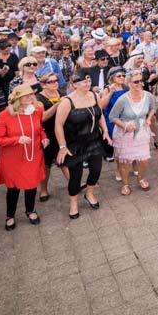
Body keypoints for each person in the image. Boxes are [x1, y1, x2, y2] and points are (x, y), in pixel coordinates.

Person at [55, 69, 111, 219]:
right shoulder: (67, 101)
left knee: (96, 169)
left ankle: (90, 193)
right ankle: (73, 203)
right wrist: (62, 146)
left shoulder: (94, 95)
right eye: (83, 82)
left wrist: (105, 131)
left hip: (93, 140)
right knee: (76, 175)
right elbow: (58, 125)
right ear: (74, 85)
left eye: (88, 81)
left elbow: (99, 116)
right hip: (74, 143)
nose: (87, 84)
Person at [0, 85, 48, 230]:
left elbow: (40, 129)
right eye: (25, 96)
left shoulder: (37, 111)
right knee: (13, 188)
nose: (29, 98)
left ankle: (30, 210)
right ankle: (10, 215)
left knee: (31, 184)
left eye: (31, 95)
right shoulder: (5, 115)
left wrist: (44, 138)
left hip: (33, 154)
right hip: (13, 159)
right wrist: (17, 140)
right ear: (17, 99)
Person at [108, 68, 158, 193]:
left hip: (141, 132)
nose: (140, 84)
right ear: (129, 84)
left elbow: (153, 108)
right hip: (124, 134)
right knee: (125, 162)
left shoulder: (148, 96)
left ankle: (141, 178)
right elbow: (112, 117)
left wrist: (149, 118)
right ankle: (125, 184)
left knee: (144, 160)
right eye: (136, 82)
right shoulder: (123, 99)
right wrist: (125, 126)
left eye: (141, 81)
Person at [35, 73, 62, 202]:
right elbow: (42, 117)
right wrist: (56, 105)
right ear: (43, 85)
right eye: (50, 82)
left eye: (56, 80)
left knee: (65, 160)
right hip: (47, 133)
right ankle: (44, 189)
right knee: (46, 165)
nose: (55, 83)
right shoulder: (39, 98)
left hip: (61, 132)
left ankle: (75, 184)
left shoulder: (60, 93)